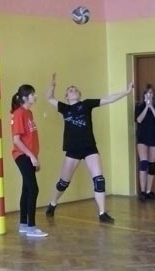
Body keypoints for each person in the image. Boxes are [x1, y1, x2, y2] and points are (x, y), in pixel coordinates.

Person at [45, 73, 133, 223]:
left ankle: (102, 213)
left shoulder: (86, 104)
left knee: (99, 180)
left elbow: (108, 99)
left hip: (89, 148)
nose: (73, 91)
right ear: (67, 96)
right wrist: (52, 86)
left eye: (75, 89)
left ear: (79, 94)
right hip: (72, 150)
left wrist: (126, 92)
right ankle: (53, 203)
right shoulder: (64, 108)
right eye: (70, 90)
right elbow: (49, 98)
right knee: (63, 183)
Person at [10, 84, 48, 237]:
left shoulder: (29, 113)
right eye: (33, 94)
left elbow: (30, 139)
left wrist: (35, 157)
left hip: (30, 156)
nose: (35, 96)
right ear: (25, 97)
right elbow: (16, 140)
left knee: (26, 189)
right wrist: (31, 156)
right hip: (22, 155)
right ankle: (31, 227)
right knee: (33, 189)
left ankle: (23, 224)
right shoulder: (19, 113)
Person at [135, 84, 155, 201]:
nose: (149, 95)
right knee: (144, 163)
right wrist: (146, 107)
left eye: (151, 93)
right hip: (142, 137)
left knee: (152, 165)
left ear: (153, 95)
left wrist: (151, 107)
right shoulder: (139, 106)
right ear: (144, 95)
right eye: (147, 93)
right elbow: (138, 120)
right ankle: (142, 191)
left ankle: (148, 191)